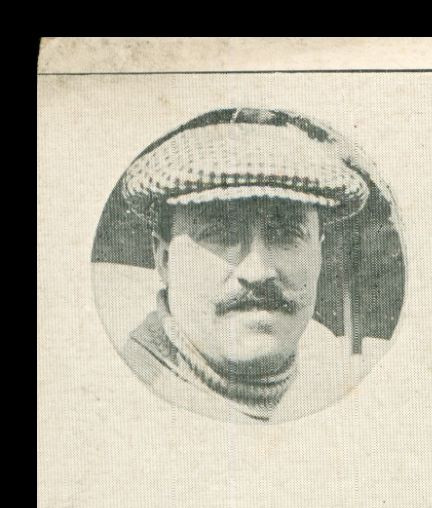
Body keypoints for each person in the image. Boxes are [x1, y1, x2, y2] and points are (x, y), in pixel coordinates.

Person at [116, 112, 371, 423]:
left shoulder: (345, 383)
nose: (258, 271)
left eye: (286, 234)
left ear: (319, 253)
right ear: (165, 260)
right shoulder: (121, 393)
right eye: (221, 234)